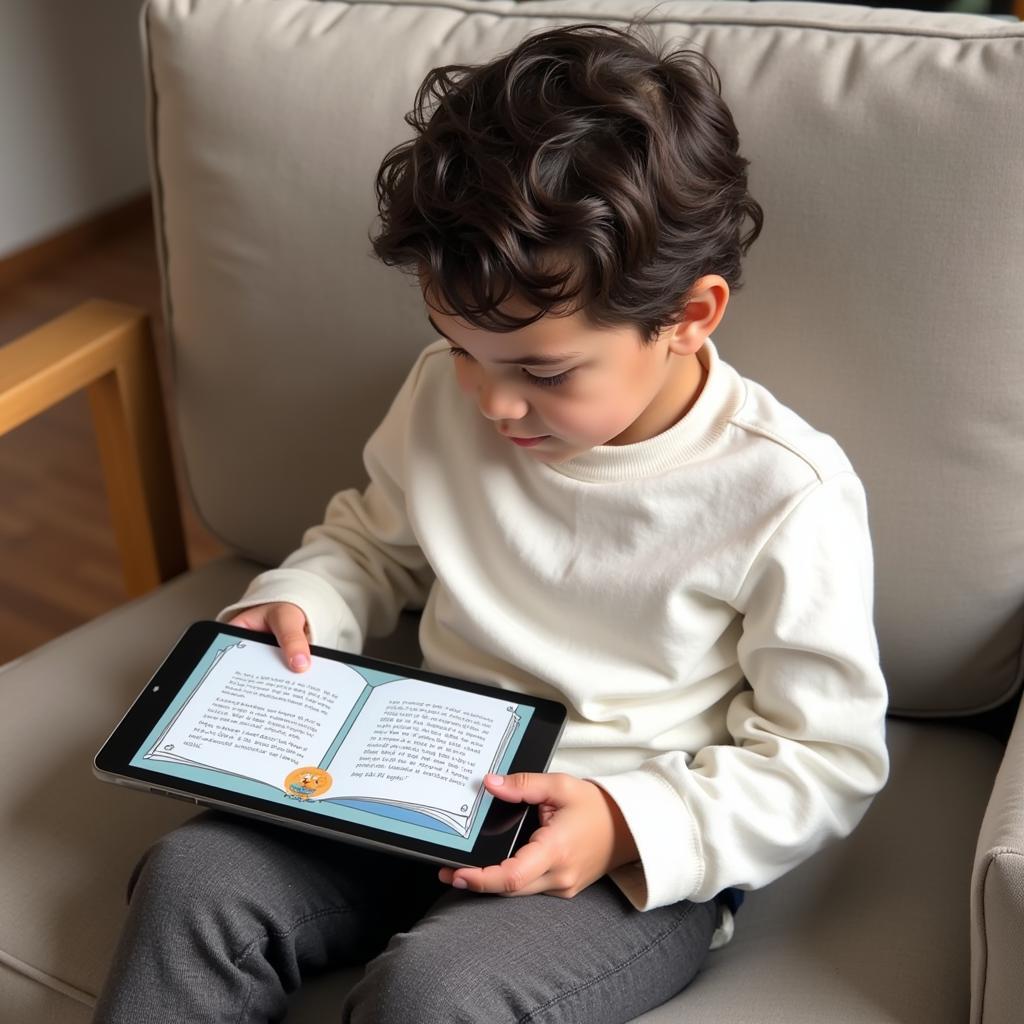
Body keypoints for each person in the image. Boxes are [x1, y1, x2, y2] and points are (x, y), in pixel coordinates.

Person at [92, 21, 889, 1024]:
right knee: (191, 877)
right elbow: (371, 541)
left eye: (542, 372)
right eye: (458, 345)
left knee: (438, 994)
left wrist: (624, 823)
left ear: (689, 316)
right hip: (408, 783)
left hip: (612, 844)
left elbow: (827, 755)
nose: (489, 401)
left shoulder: (785, 494)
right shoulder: (444, 395)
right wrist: (299, 600)